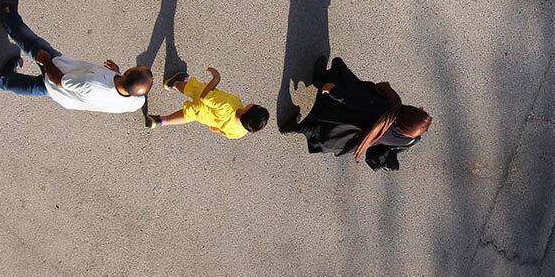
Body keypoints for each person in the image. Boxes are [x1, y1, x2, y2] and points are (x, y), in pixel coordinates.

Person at [0, 0, 152, 113]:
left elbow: (59, 81)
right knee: (34, 87)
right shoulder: (137, 102)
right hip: (68, 96)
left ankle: (8, 16)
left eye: (134, 68)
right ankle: (0, 80)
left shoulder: (93, 84)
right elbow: (121, 89)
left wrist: (46, 60)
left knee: (33, 44)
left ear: (128, 73)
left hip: (59, 73)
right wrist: (117, 73)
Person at [282, 55, 432, 171]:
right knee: (316, 129)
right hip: (347, 138)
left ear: (407, 113)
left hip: (341, 116)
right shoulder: (410, 141)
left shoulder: (387, 107)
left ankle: (319, 80)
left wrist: (331, 90)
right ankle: (291, 127)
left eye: (418, 110)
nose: (421, 108)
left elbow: (353, 100)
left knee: (340, 87)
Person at [144, 66, 269, 138]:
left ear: (248, 109)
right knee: (186, 116)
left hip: (204, 97)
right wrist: (216, 129)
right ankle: (160, 121)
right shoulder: (240, 132)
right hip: (202, 116)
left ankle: (172, 83)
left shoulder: (228, 105)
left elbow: (205, 98)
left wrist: (216, 79)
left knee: (191, 87)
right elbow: (222, 131)